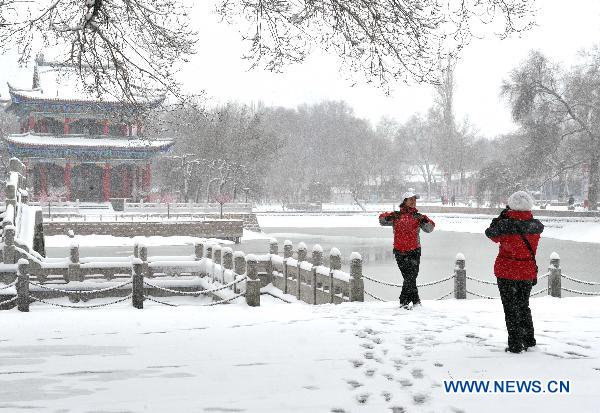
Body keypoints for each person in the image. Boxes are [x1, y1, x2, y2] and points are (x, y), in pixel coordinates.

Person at [485, 191, 544, 353]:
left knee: (510, 309)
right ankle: (529, 340)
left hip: (506, 272)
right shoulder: (535, 226)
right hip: (526, 271)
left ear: (510, 205)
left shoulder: (504, 225)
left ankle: (515, 344)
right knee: (524, 306)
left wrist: (501, 217)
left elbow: (490, 233)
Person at [379, 191, 435, 309]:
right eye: (410, 199)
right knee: (409, 277)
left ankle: (406, 302)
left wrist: (427, 220)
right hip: (400, 251)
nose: (413, 201)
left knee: (411, 277)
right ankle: (414, 302)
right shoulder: (397, 216)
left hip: (415, 250)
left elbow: (429, 229)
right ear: (404, 201)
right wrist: (388, 215)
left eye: (414, 199)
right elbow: (382, 221)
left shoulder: (418, 217)